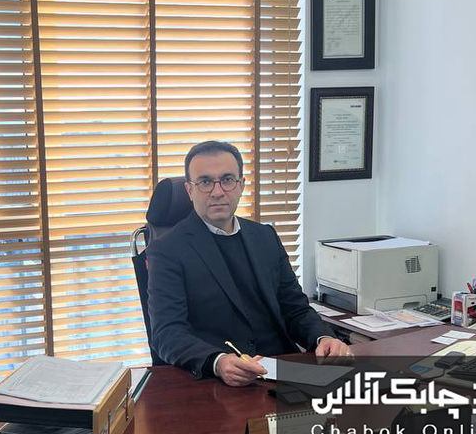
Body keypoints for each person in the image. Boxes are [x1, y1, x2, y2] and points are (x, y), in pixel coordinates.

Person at [146, 140, 352, 386]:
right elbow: (167, 333)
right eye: (205, 182)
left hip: (283, 370)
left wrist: (323, 338)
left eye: (227, 180)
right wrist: (217, 362)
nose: (217, 192)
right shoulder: (167, 249)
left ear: (241, 185)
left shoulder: (264, 236)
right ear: (190, 190)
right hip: (221, 381)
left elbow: (295, 308)